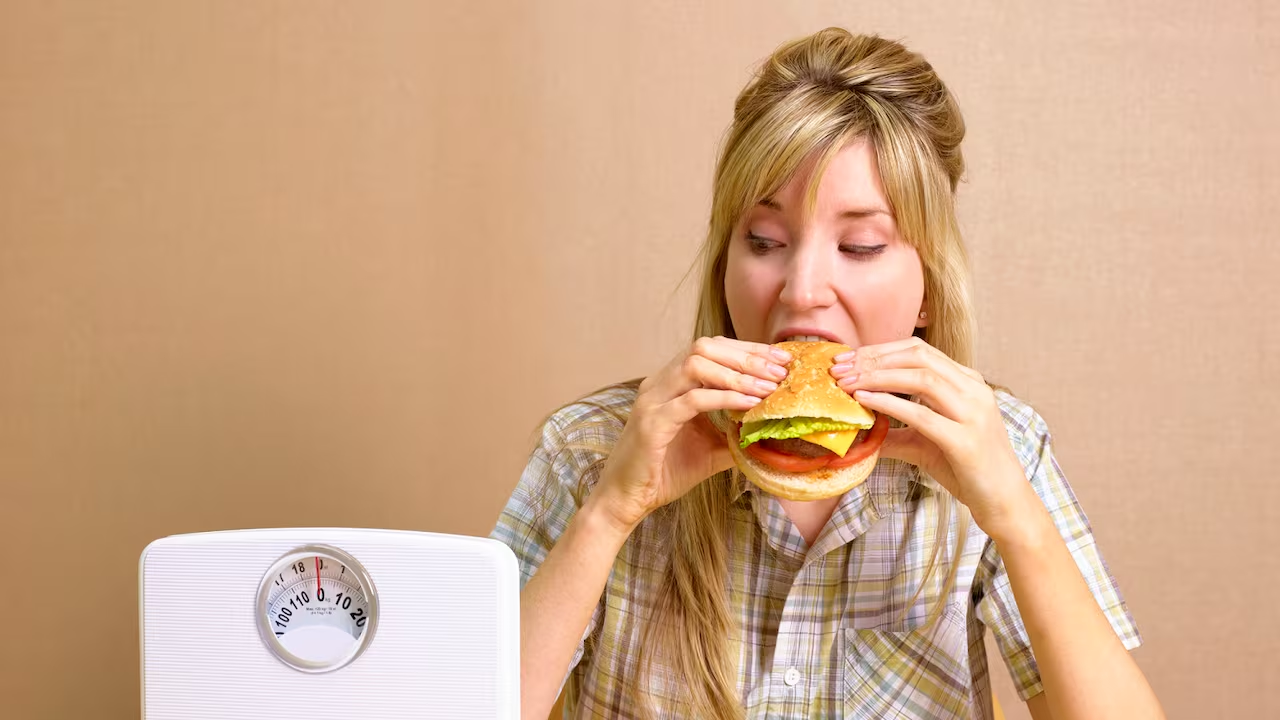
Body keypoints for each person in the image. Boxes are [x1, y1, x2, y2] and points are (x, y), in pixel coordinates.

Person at [491, 27, 1164, 720]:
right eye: (764, 241)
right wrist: (608, 514)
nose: (802, 288)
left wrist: (1016, 520)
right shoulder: (592, 448)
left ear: (928, 288)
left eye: (860, 245)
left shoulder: (1001, 447)